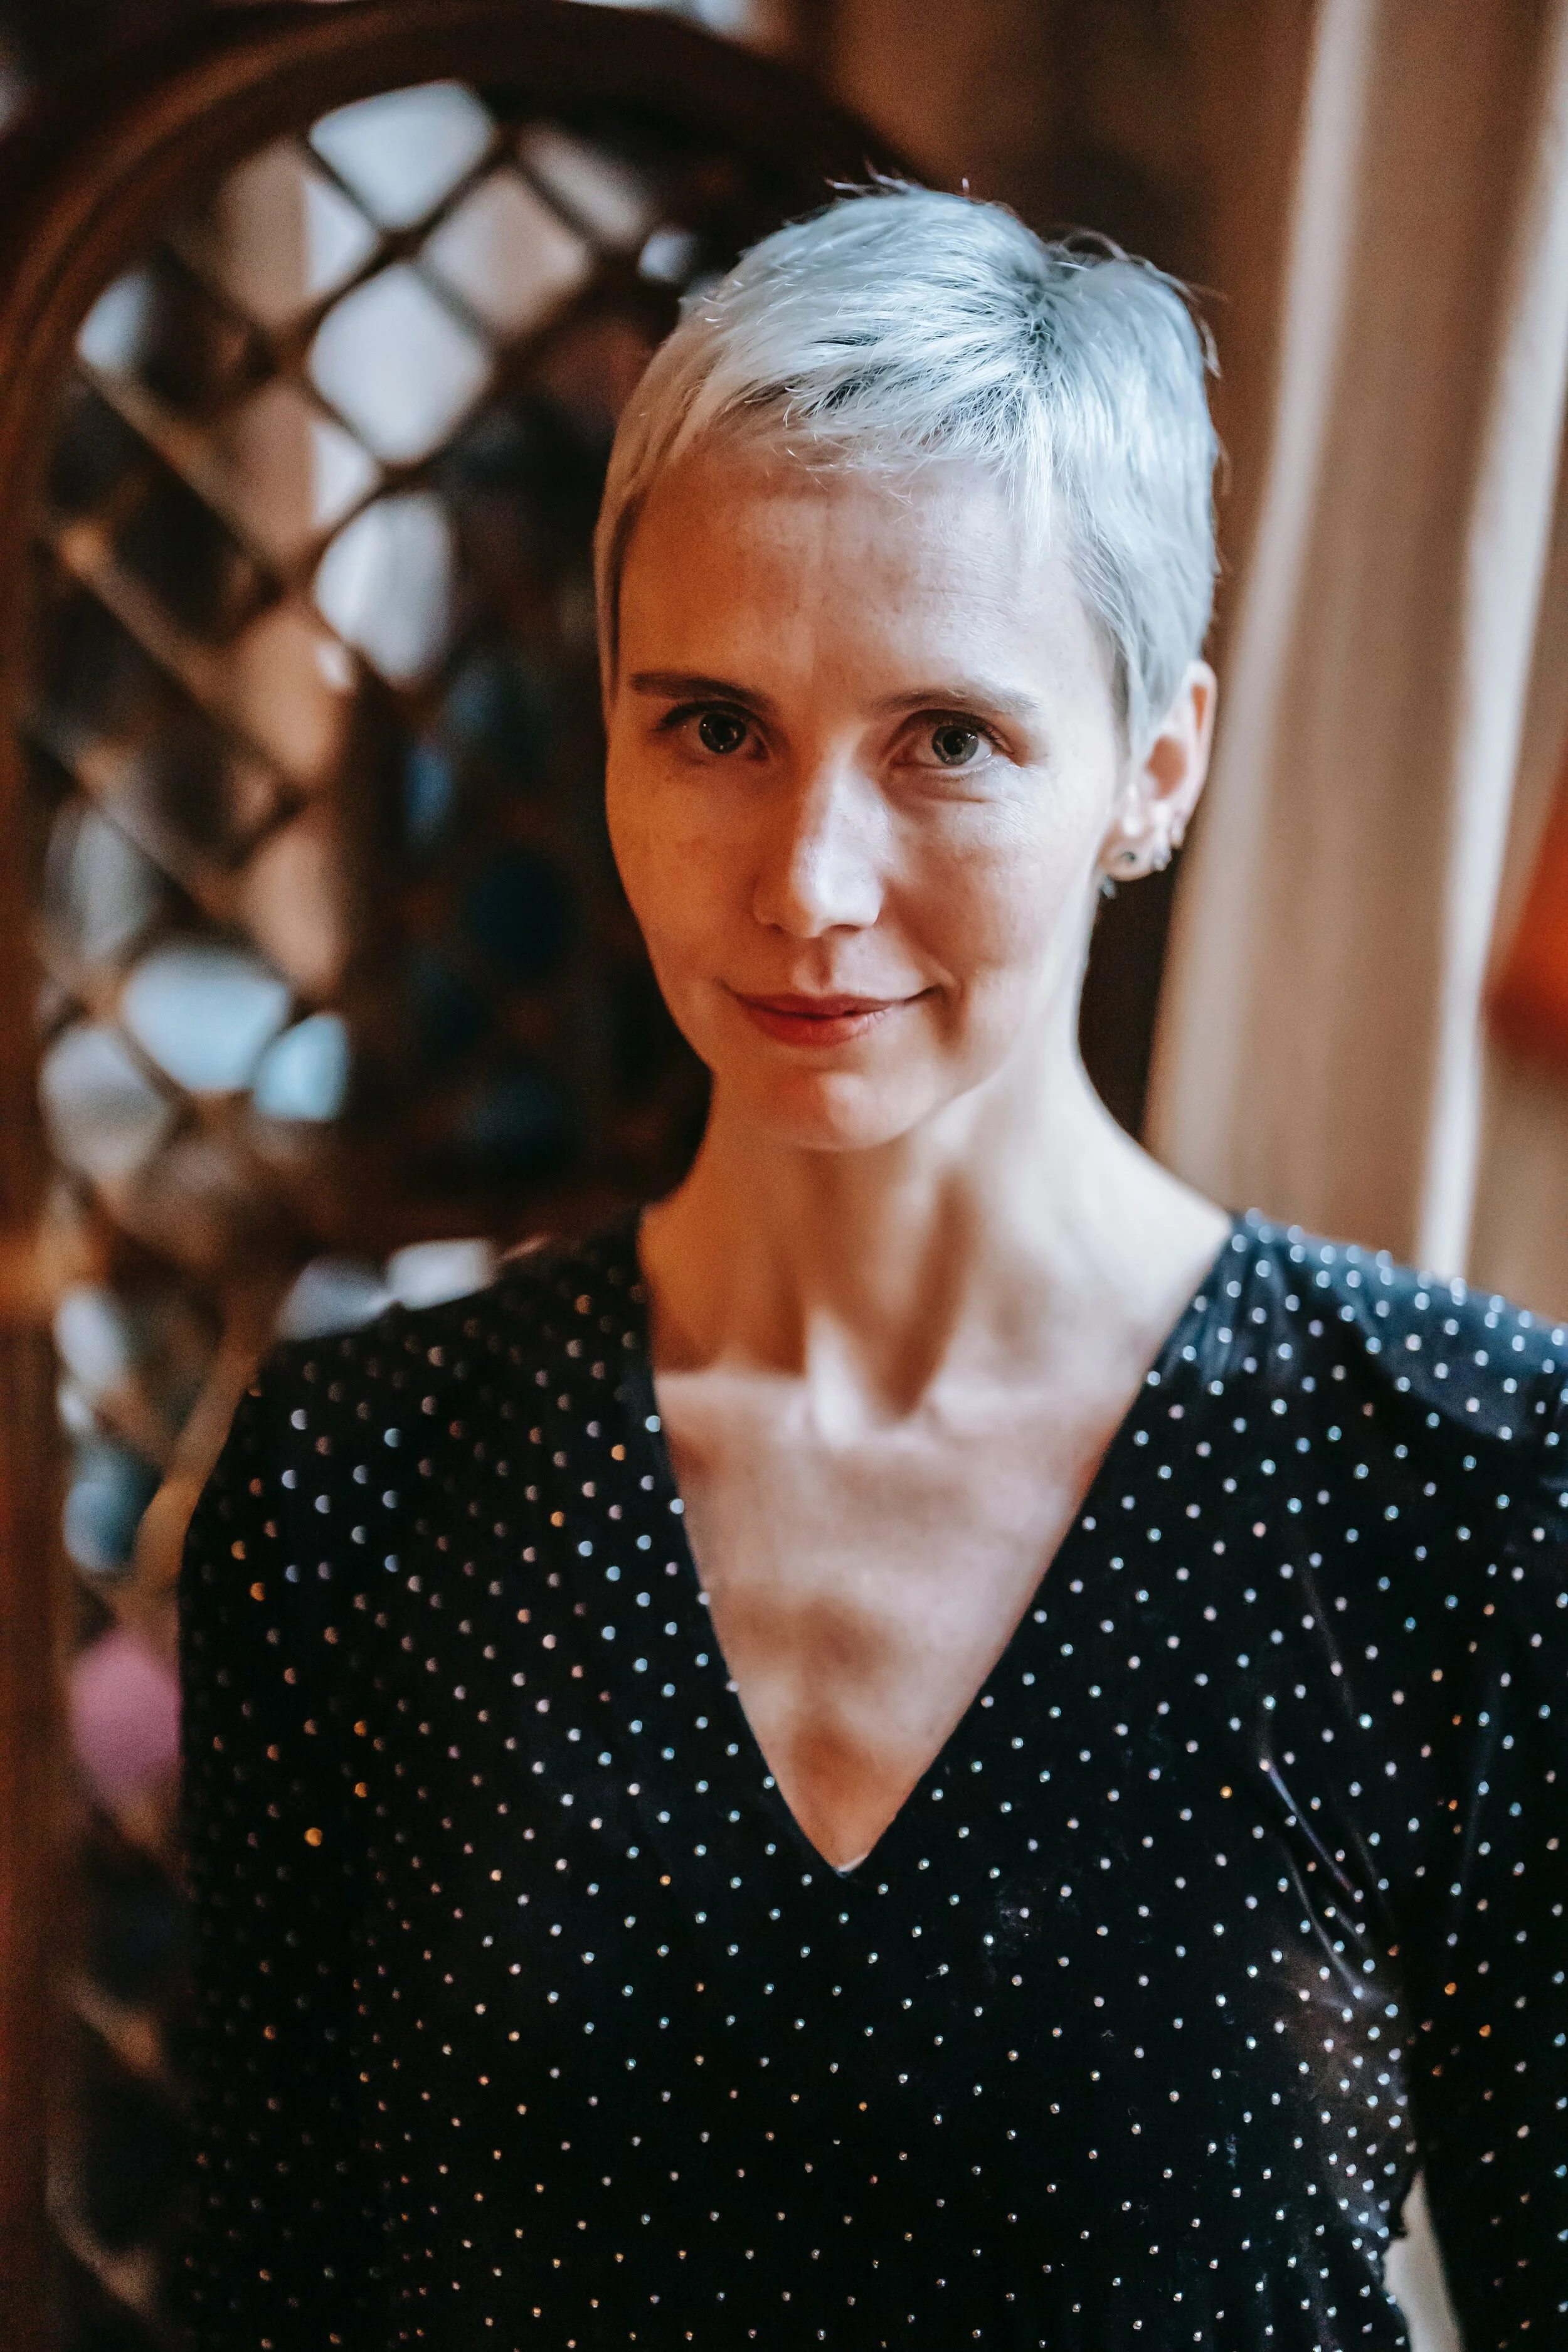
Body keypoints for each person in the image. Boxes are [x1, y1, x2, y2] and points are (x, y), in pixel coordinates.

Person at [178, 186, 1567, 2351]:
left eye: (948, 739)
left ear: (1155, 766)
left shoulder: (1463, 1484)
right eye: (713, 725)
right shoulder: (358, 1488)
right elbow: (266, 2300)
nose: (808, 884)